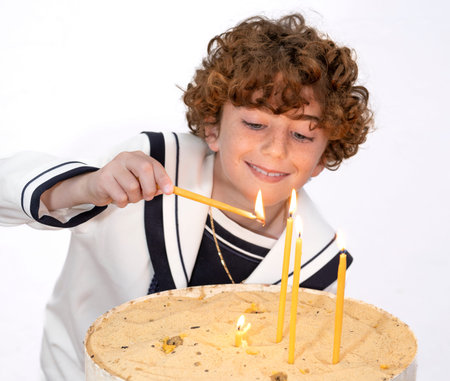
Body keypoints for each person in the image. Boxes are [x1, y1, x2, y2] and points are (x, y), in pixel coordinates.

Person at [0, 13, 372, 381]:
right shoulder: (150, 166)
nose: (275, 151)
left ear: (324, 156)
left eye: (302, 136)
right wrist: (86, 186)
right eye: (255, 124)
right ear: (213, 129)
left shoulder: (319, 266)